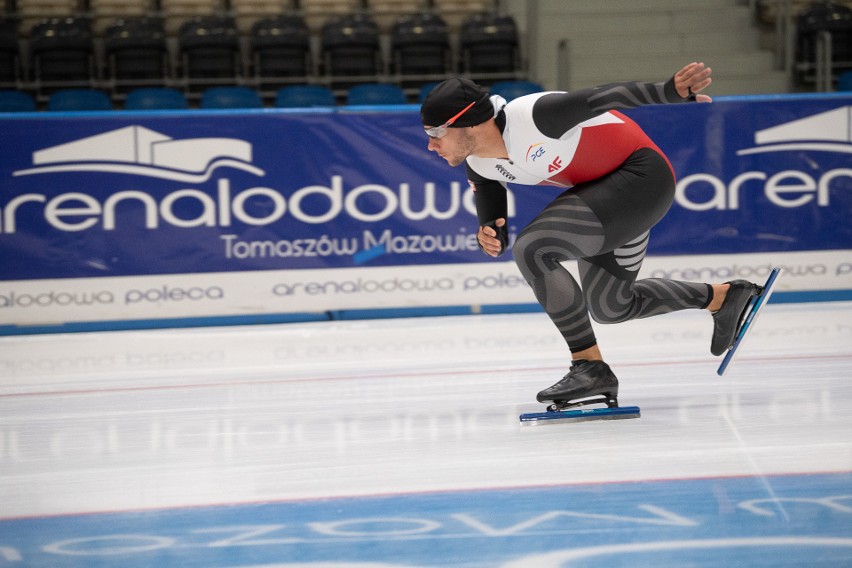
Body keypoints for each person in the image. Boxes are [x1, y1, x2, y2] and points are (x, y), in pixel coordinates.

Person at [420, 62, 761, 408]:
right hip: (603, 195)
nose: (431, 145)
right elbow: (491, 210)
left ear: (470, 121)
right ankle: (723, 297)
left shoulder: (534, 116)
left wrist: (667, 92)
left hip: (642, 177)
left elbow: (603, 96)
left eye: (436, 132)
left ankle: (589, 366)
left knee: (534, 248)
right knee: (612, 306)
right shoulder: (478, 162)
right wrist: (490, 233)